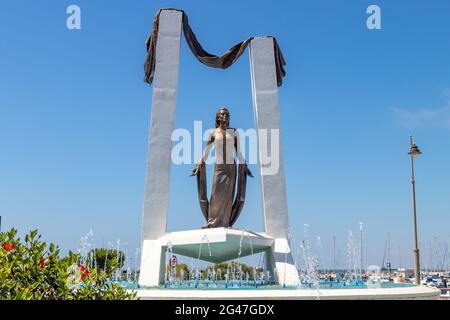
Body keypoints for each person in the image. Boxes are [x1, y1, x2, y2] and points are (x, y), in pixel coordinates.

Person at [191, 108, 252, 228]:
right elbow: (206, 153)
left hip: (231, 167)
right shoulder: (213, 133)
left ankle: (225, 222)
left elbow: (238, 152)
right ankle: (212, 221)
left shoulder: (234, 132)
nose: (225, 116)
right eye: (223, 114)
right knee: (215, 195)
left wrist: (244, 165)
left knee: (228, 197)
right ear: (218, 117)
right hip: (219, 167)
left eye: (227, 114)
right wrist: (198, 165)